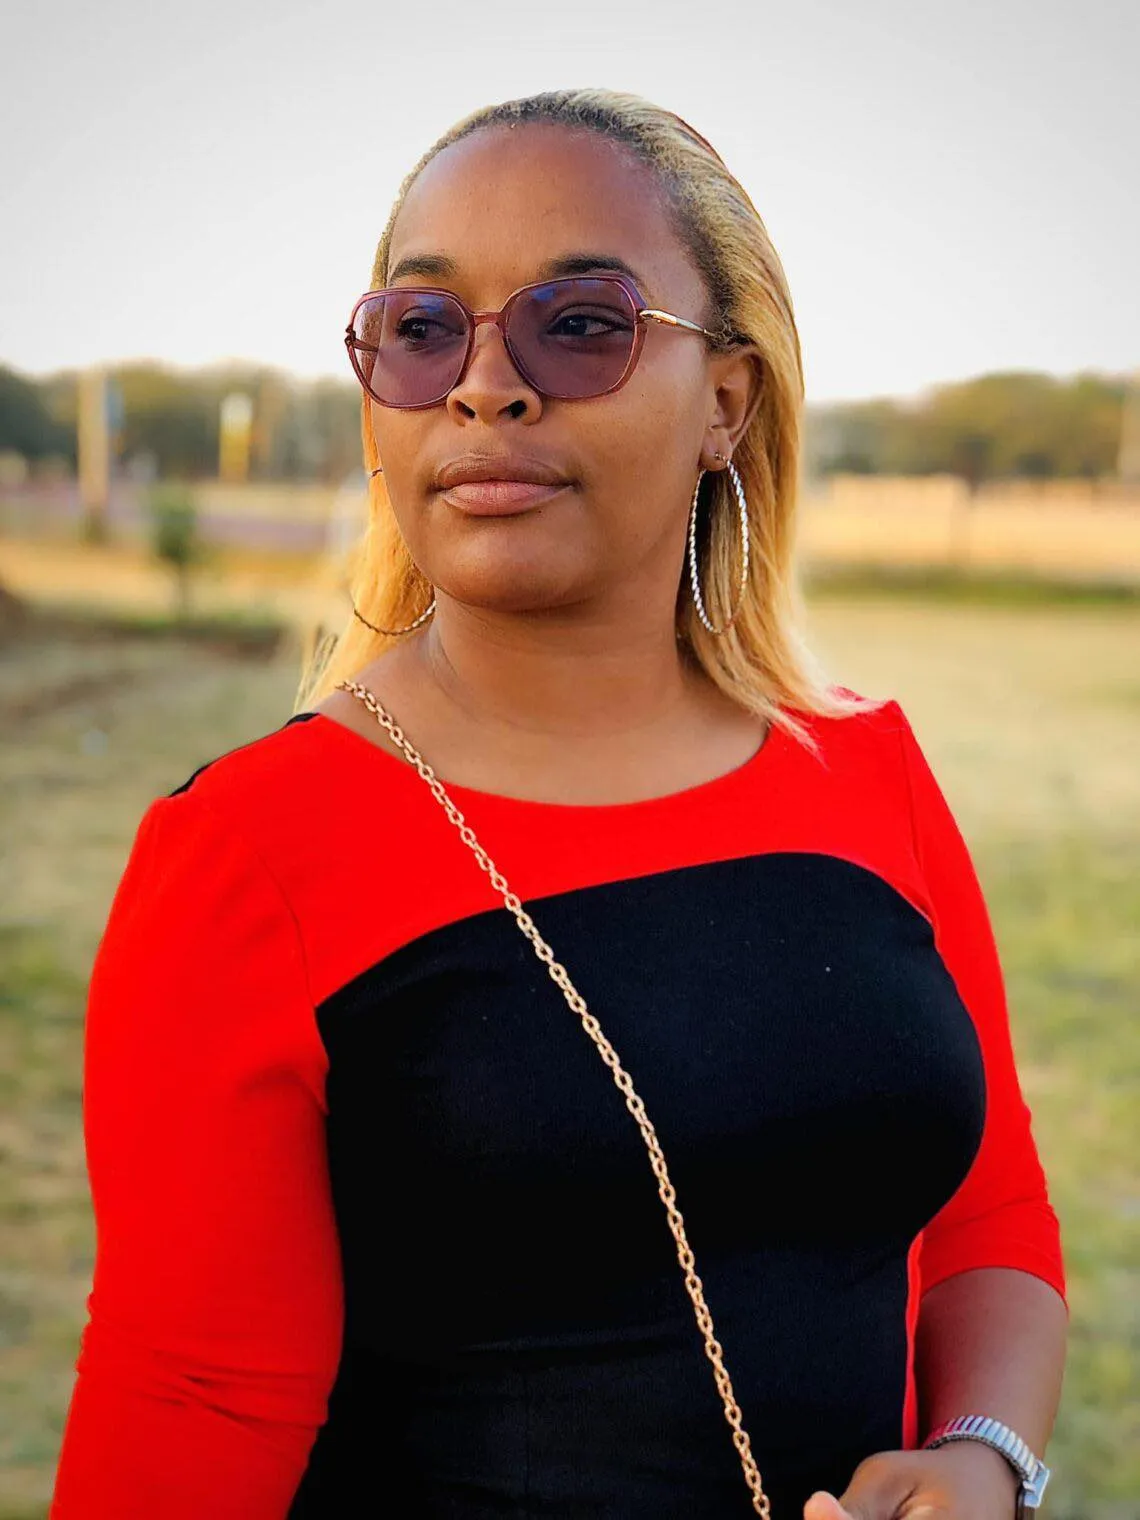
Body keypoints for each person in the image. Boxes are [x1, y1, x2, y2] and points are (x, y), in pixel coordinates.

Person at [51, 89, 1067, 1519]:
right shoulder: (249, 854)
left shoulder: (867, 770)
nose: (484, 385)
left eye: (579, 323)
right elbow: (189, 1414)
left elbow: (989, 1218)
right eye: (422, 327)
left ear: (728, 401)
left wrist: (982, 1458)